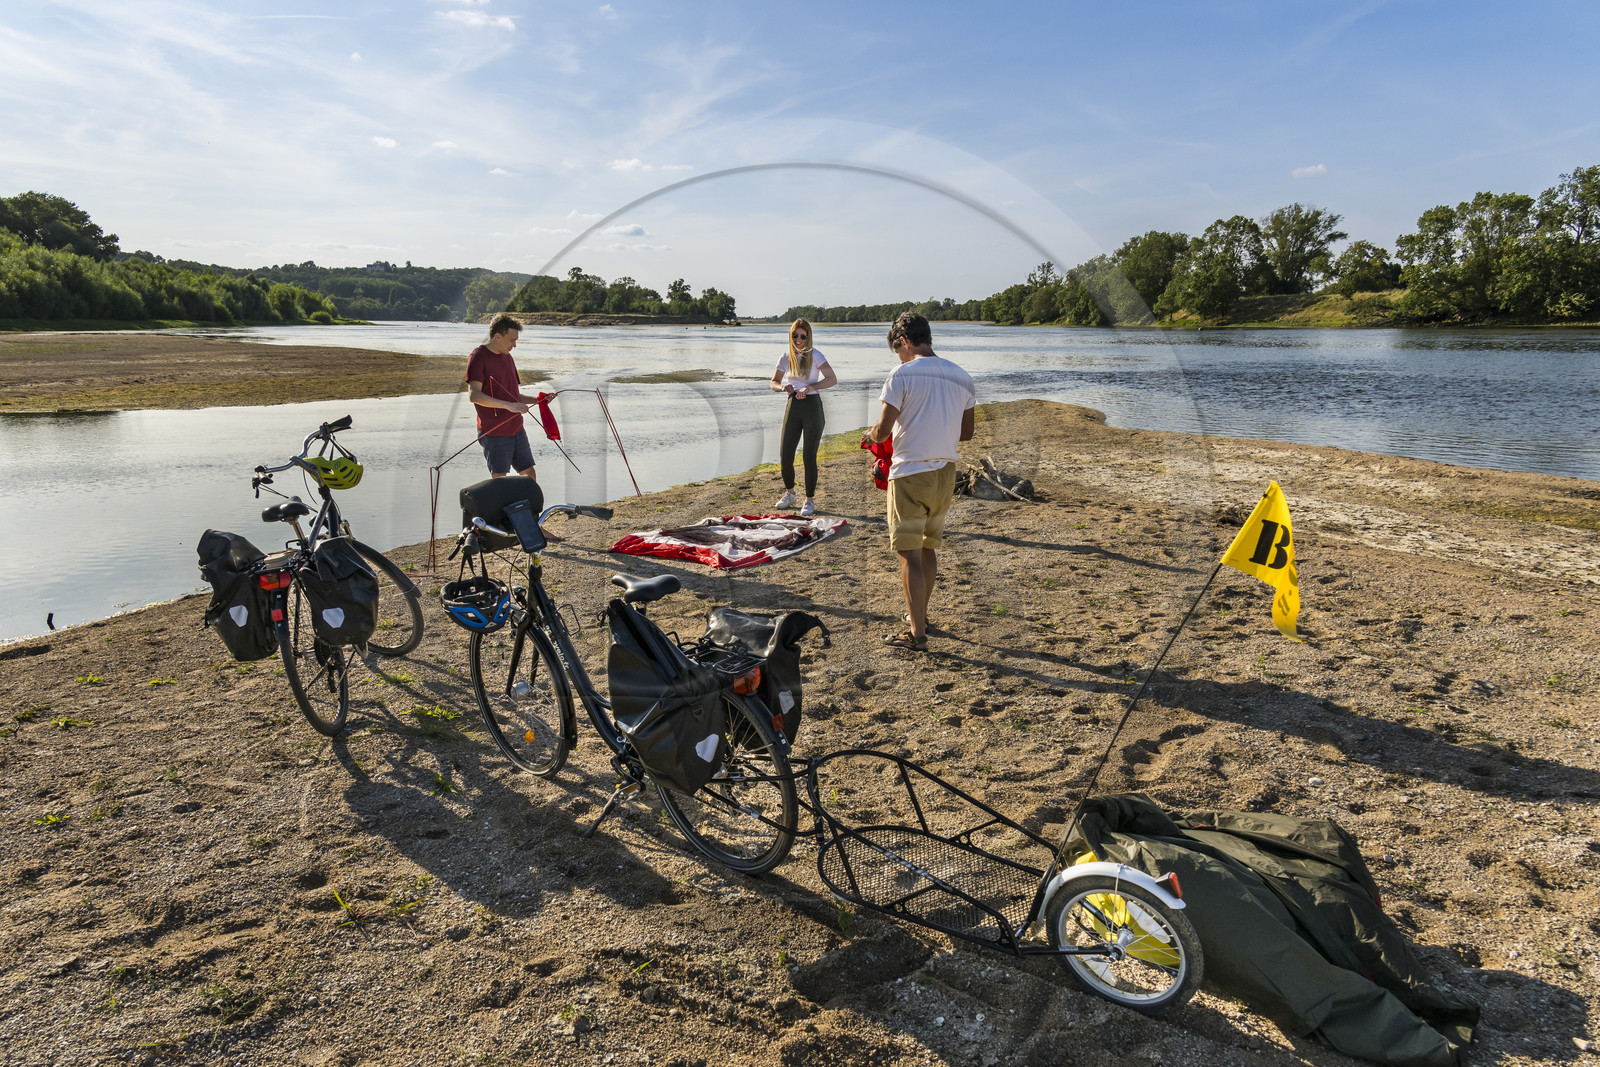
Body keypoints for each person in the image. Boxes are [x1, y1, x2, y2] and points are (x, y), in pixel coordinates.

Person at [865, 311, 975, 653]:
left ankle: (917, 634)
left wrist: (870, 436)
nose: (898, 357)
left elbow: (883, 431)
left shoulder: (901, 375)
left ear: (904, 342)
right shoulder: (961, 375)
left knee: (908, 556)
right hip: (945, 474)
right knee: (927, 549)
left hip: (911, 473)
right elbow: (967, 432)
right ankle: (920, 619)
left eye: (897, 350)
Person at [768, 318, 837, 517]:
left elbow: (832, 379)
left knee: (808, 456)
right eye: (795, 336)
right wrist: (783, 387)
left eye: (803, 336)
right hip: (793, 405)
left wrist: (811, 387)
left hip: (812, 407)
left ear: (808, 337)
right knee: (785, 455)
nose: (799, 340)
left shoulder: (815, 355)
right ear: (791, 336)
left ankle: (809, 500)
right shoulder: (785, 357)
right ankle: (790, 493)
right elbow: (773, 382)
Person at [466, 314, 536, 480]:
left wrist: (537, 400)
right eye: (512, 340)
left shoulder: (508, 357)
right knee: (499, 479)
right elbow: (473, 395)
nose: (515, 345)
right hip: (494, 432)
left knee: (529, 474)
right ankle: (499, 507)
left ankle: (533, 507)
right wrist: (507, 405)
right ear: (497, 336)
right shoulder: (478, 357)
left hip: (517, 429)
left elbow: (513, 395)